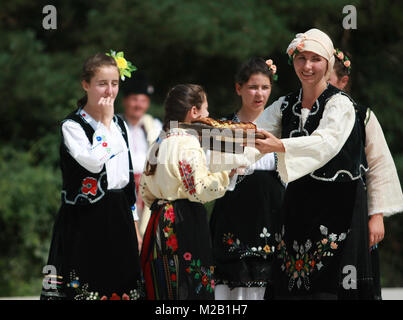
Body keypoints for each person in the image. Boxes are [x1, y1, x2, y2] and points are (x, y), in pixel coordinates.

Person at [254, 28, 374, 299]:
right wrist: (197, 139)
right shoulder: (286, 104)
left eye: (315, 59)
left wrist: (281, 145)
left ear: (328, 63)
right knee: (292, 289)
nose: (307, 66)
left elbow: (325, 143)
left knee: (328, 291)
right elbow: (252, 136)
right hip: (298, 207)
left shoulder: (341, 105)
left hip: (337, 210)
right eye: (301, 58)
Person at [40, 52, 144, 300]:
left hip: (119, 213)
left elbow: (126, 176)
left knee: (122, 286)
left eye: (115, 83)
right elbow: (94, 163)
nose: (109, 91)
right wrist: (106, 124)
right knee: (87, 285)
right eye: (102, 84)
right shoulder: (73, 126)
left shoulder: (120, 125)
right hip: (85, 217)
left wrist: (135, 222)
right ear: (85, 85)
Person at [139, 84, 256, 300]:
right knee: (190, 288)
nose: (208, 115)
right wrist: (226, 175)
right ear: (194, 111)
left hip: (159, 220)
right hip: (184, 221)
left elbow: (145, 190)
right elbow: (198, 189)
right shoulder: (188, 142)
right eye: (206, 109)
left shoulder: (159, 141)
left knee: (165, 287)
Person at [329, 48, 403, 299]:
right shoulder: (304, 115)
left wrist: (377, 216)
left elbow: (380, 166)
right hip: (312, 209)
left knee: (353, 281)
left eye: (329, 81)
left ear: (343, 82)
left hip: (353, 211)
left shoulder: (362, 117)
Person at [209, 57, 285, 300]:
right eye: (253, 87)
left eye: (265, 87)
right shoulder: (222, 129)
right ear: (238, 88)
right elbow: (209, 178)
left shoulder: (282, 130)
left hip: (273, 217)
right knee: (234, 287)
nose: (259, 94)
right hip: (233, 218)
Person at [120, 72, 162, 240]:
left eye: (143, 100)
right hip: (124, 190)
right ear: (125, 101)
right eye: (134, 99)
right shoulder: (115, 125)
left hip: (148, 190)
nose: (138, 105)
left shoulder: (155, 126)